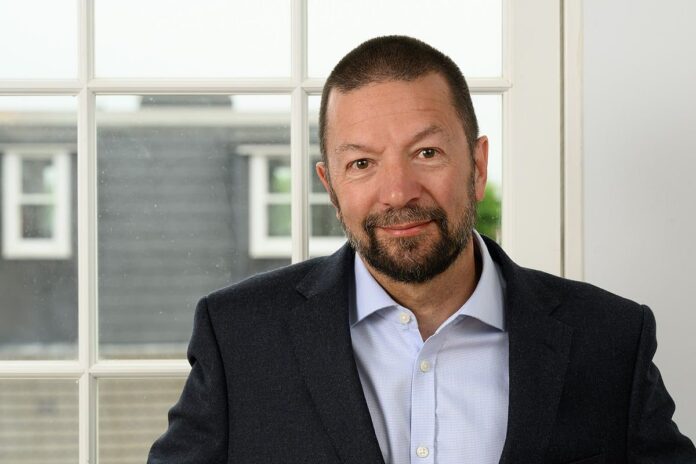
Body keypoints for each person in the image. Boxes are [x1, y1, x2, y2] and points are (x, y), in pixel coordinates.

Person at [148, 36, 696, 464]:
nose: (398, 192)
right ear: (331, 186)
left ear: (477, 166)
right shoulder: (238, 336)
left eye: (427, 152)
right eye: (362, 163)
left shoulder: (610, 339)